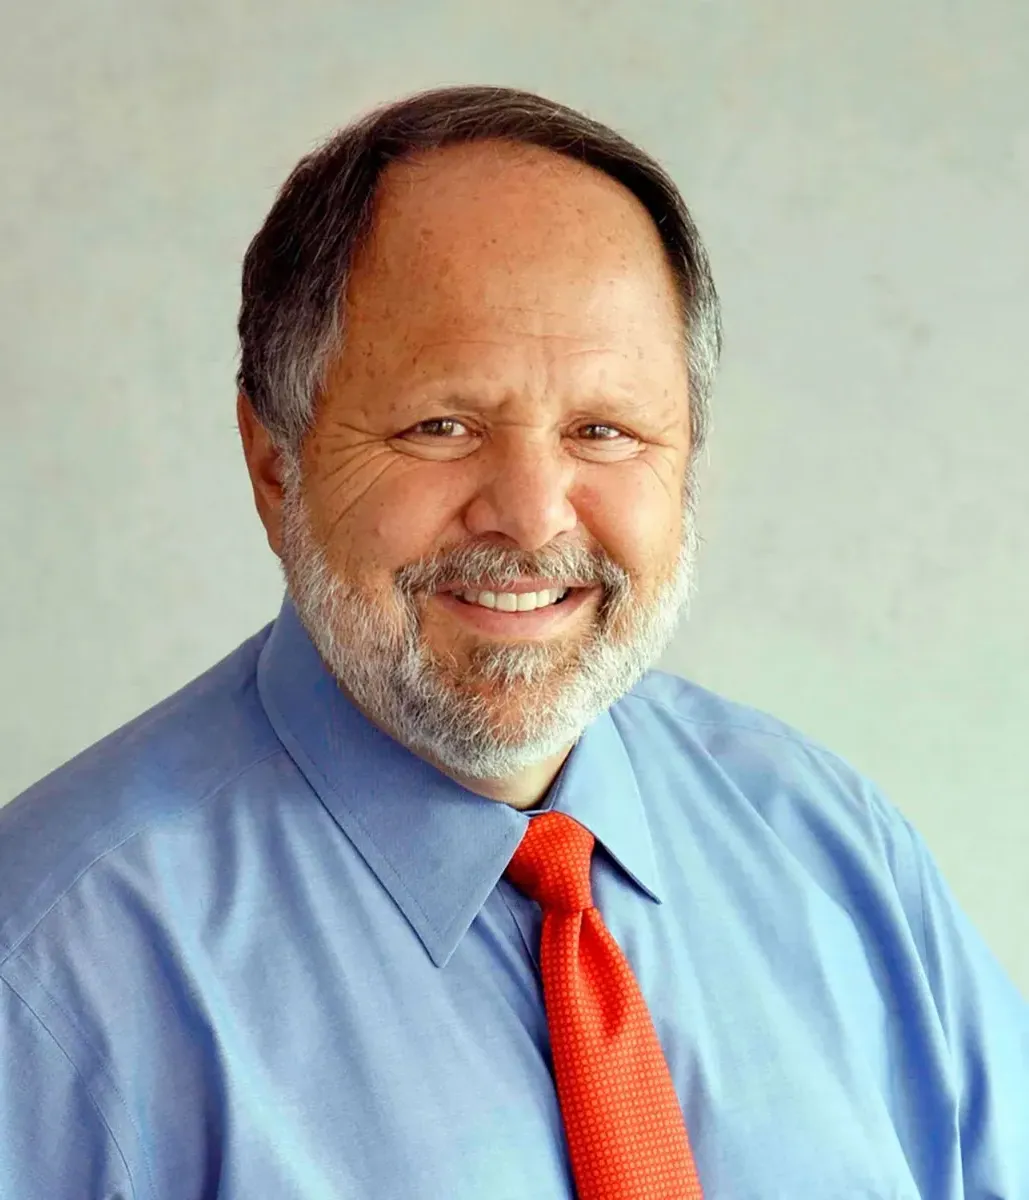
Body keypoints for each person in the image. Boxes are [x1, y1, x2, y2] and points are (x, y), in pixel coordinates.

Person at [0, 84, 1025, 1200]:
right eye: (441, 427)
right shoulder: (51, 978)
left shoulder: (838, 856)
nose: (533, 514)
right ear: (274, 463)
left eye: (604, 429)